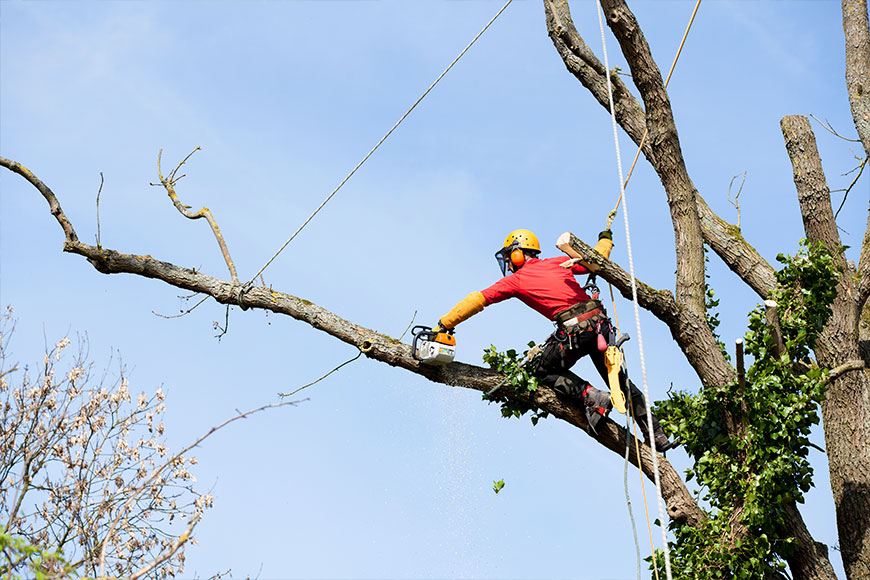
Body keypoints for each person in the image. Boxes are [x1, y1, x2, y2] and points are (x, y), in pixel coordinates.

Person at [434, 229, 677, 451]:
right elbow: (598, 260)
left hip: (576, 332)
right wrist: (606, 238)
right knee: (619, 381)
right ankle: (656, 433)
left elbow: (478, 299)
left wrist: (445, 323)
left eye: (509, 257)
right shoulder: (558, 262)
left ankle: (591, 396)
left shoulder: (516, 280)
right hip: (600, 327)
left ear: (518, 254)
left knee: (540, 369)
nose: (508, 263)